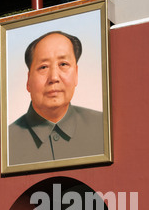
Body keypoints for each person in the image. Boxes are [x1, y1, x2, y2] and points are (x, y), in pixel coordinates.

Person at [9, 31, 103, 166]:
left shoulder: (103, 127)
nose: (53, 77)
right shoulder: (6, 143)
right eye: (43, 67)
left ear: (76, 74)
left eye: (63, 64)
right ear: (28, 81)